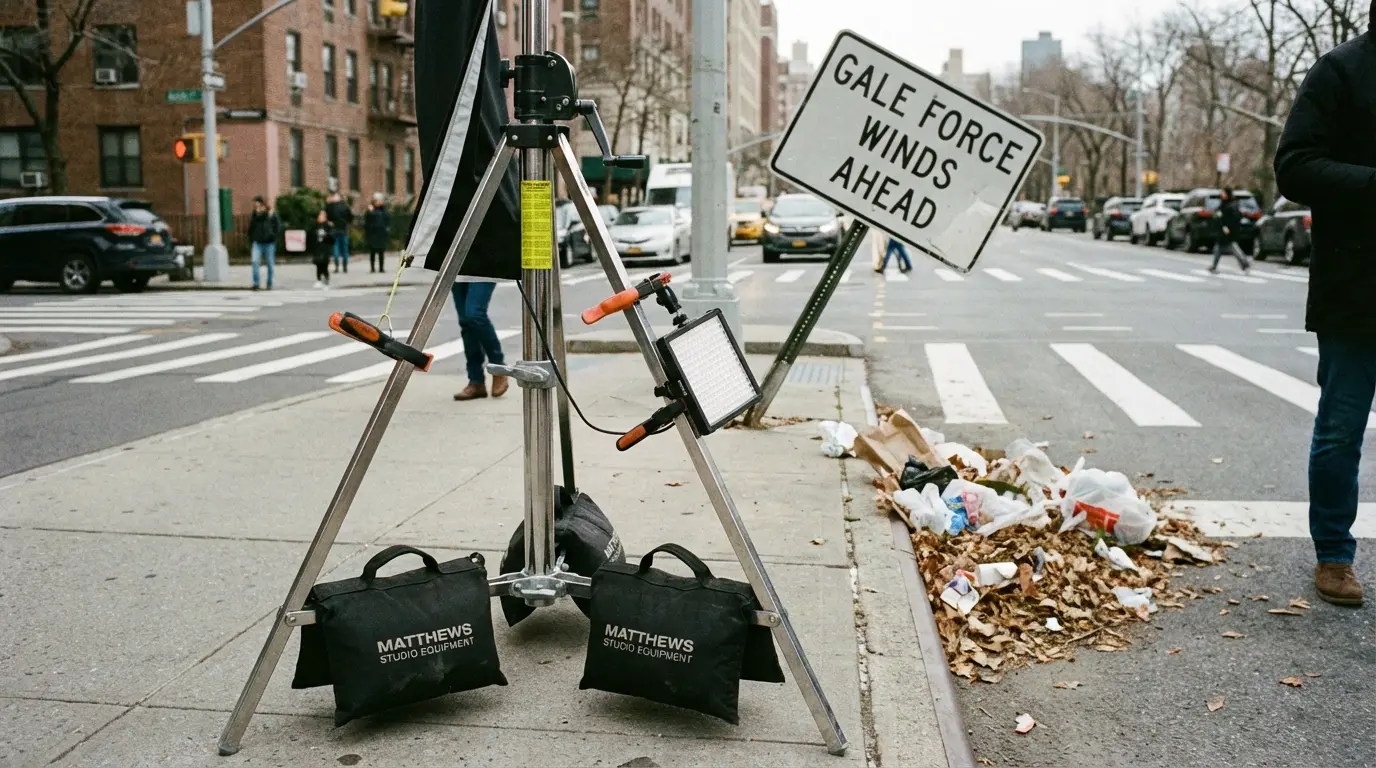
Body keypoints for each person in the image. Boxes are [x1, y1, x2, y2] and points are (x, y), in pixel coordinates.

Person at [1274, 12, 1376, 607]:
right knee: (1341, 428)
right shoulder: (1341, 70)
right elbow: (1294, 166)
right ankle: (1334, 556)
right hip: (1357, 289)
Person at [450, 279, 509, 401]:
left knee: (475, 314)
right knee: (465, 322)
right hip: (456, 266)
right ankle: (476, 381)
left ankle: (498, 368)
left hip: (483, 264)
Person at [1207, 188, 1251, 274]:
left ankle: (1245, 264)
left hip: (1228, 231)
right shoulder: (1223, 204)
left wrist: (1227, 227)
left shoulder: (1231, 205)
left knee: (1233, 248)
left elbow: (1233, 218)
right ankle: (1214, 266)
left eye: (1223, 193)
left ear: (1227, 194)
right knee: (1218, 249)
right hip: (1223, 231)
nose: (1221, 194)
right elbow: (1219, 215)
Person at [246, 195, 281, 290]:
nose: (256, 207)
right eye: (255, 205)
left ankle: (269, 283)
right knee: (255, 262)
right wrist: (251, 237)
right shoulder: (255, 214)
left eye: (257, 205)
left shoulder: (272, 214)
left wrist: (273, 237)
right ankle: (256, 283)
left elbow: (277, 227)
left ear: (262, 204)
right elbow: (252, 227)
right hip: (257, 242)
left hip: (269, 243)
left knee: (270, 264)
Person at [325, 192, 354, 273]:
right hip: (344, 230)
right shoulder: (346, 207)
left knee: (335, 249)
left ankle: (337, 267)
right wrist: (346, 223)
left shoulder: (330, 206)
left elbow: (326, 216)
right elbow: (351, 217)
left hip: (334, 230)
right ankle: (345, 267)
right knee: (345, 249)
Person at [363, 192, 391, 273]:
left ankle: (381, 268)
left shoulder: (383, 211)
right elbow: (367, 221)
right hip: (373, 234)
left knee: (381, 252)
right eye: (376, 201)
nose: (378, 202)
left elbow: (387, 219)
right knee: (372, 252)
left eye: (379, 200)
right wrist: (370, 212)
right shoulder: (370, 211)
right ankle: (372, 268)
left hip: (381, 234)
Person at [311, 209, 333, 289]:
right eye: (319, 215)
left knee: (325, 265)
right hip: (318, 248)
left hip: (325, 248)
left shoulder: (328, 225)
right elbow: (312, 235)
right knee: (318, 265)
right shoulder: (316, 225)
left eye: (322, 216)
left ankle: (326, 281)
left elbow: (331, 237)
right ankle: (318, 280)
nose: (320, 217)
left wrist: (326, 235)